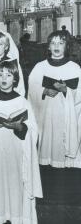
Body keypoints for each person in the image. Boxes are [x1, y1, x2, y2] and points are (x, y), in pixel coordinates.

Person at [0, 61, 42, 224]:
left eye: (8, 75)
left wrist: (20, 126)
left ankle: (16, 217)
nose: (4, 78)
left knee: (16, 185)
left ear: (15, 79)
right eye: (0, 75)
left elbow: (33, 130)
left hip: (16, 153)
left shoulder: (22, 102)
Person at [28, 31, 81, 167]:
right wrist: (44, 90)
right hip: (46, 117)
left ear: (67, 46)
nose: (56, 46)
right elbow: (32, 90)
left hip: (65, 117)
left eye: (61, 43)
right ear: (48, 47)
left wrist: (66, 91)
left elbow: (79, 94)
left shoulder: (74, 68)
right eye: (53, 43)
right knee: (46, 159)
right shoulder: (40, 67)